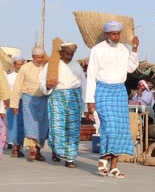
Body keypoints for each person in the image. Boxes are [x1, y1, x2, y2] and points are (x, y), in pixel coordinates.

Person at [86, 20, 139, 178]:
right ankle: (103, 159)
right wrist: (90, 100)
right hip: (103, 90)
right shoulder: (97, 50)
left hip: (120, 91)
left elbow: (131, 67)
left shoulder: (124, 49)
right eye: (113, 34)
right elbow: (91, 76)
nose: (116, 37)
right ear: (106, 34)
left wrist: (135, 49)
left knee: (121, 129)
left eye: (118, 34)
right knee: (109, 126)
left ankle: (114, 167)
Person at [39, 43, 86, 168]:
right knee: (57, 127)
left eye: (72, 54)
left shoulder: (77, 66)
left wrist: (85, 106)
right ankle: (57, 151)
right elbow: (42, 81)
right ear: (61, 53)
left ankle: (70, 158)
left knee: (73, 128)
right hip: (57, 97)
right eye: (67, 54)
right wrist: (48, 86)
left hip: (74, 98)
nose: (69, 56)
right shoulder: (52, 65)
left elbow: (84, 86)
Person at [10, 46, 48, 162]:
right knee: (30, 125)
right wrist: (15, 104)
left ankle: (38, 151)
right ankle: (31, 149)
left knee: (42, 126)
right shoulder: (25, 68)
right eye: (38, 57)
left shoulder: (46, 67)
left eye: (42, 57)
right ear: (32, 57)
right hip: (28, 99)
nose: (40, 59)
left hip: (43, 99)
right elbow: (17, 86)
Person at [6, 56, 25, 157]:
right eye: (18, 64)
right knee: (13, 126)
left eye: (22, 64)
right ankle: (15, 147)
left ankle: (18, 147)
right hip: (12, 103)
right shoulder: (9, 77)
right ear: (14, 65)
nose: (20, 66)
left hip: (24, 103)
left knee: (22, 126)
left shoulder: (26, 76)